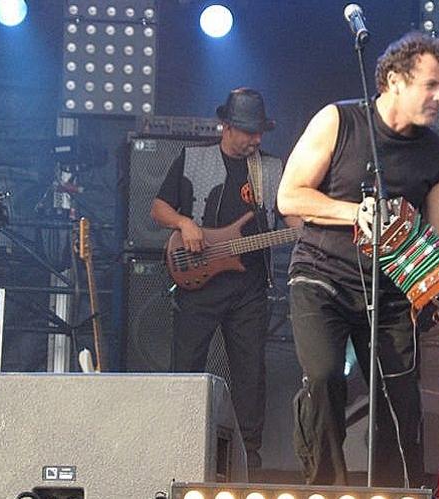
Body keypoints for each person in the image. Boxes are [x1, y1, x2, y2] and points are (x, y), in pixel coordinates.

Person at [276, 32, 439, 486]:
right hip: (322, 276)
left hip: (392, 292)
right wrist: (354, 212)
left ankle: (397, 492)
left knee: (400, 401)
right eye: (431, 85)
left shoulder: (437, 154)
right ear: (394, 80)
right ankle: (325, 489)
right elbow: (289, 197)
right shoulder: (338, 121)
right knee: (323, 378)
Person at [150, 87, 290, 469]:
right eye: (248, 131)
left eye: (259, 131)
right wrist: (184, 223)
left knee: (250, 373)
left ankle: (250, 458)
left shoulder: (272, 169)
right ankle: (176, 447)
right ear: (226, 126)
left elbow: (291, 215)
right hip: (199, 281)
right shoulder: (193, 158)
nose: (256, 139)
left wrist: (311, 229)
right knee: (187, 365)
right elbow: (158, 208)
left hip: (250, 288)